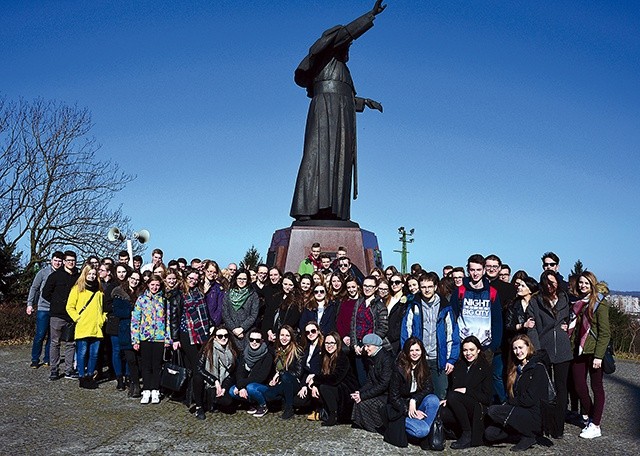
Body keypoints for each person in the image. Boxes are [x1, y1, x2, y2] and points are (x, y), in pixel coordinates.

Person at [290, 0, 386, 221]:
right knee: (318, 155)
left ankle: (332, 209)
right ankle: (307, 208)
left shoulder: (342, 69)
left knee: (339, 161)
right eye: (346, 44)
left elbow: (342, 96)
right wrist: (370, 15)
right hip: (325, 110)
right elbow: (346, 33)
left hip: (340, 113)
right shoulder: (326, 56)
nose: (348, 47)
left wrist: (364, 102)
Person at [526, 270, 572, 439]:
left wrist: (567, 327)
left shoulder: (564, 299)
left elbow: (571, 318)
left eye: (553, 283)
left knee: (561, 389)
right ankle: (544, 425)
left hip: (562, 349)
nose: (550, 286)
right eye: (547, 283)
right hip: (543, 348)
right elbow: (532, 327)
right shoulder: (535, 301)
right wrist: (537, 350)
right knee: (544, 389)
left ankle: (558, 427)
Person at [400, 272, 460, 400]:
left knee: (440, 394)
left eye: (429, 286)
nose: (426, 290)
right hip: (418, 358)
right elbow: (406, 331)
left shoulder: (445, 307)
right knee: (419, 394)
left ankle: (438, 419)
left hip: (439, 358)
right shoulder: (413, 305)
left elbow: (452, 334)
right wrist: (407, 354)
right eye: (423, 287)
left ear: (435, 287)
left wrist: (451, 359)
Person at [485, 335, 549, 452]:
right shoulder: (516, 368)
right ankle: (520, 434)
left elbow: (530, 400)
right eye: (515, 349)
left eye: (521, 347)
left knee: (493, 411)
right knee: (490, 434)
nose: (518, 351)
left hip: (534, 414)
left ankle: (529, 435)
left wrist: (508, 404)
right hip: (519, 410)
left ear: (528, 347)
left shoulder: (537, 368)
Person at [568, 271, 611, 439]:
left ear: (592, 284)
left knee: (597, 387)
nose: (582, 285)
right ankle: (591, 416)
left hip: (593, 351)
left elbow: (605, 333)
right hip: (579, 350)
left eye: (586, 283)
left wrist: (599, 356)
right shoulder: (578, 302)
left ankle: (595, 425)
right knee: (579, 386)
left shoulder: (600, 303)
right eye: (580, 283)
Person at [383, 338, 440, 448]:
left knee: (433, 400)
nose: (415, 353)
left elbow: (429, 388)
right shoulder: (398, 368)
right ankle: (423, 433)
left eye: (417, 350)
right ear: (406, 352)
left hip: (415, 404)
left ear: (422, 351)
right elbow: (394, 397)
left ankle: (423, 429)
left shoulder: (423, 365)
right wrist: (408, 410)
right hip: (401, 409)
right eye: (411, 350)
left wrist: (414, 400)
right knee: (422, 430)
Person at [440, 336, 492, 449]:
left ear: (478, 350)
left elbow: (487, 398)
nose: (468, 353)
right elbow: (452, 389)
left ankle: (467, 433)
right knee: (442, 411)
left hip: (477, 407)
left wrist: (467, 391)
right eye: (465, 350)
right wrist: (447, 399)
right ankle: (458, 432)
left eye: (471, 350)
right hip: (459, 405)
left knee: (453, 396)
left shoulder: (485, 368)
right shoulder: (459, 366)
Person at [170, 270, 212, 407]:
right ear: (185, 278)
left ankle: (190, 398)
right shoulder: (179, 294)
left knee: (192, 367)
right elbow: (174, 318)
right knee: (196, 367)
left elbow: (204, 313)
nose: (193, 281)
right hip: (186, 334)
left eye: (195, 279)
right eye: (190, 278)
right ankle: (199, 403)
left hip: (200, 334)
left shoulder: (199, 292)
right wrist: (175, 338)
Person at [449, 254, 502, 359]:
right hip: (463, 346)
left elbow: (497, 321)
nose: (475, 273)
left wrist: (493, 346)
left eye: (478, 270)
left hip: (485, 347)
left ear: (483, 270)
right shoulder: (460, 291)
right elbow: (451, 318)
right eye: (472, 270)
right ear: (468, 271)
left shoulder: (492, 292)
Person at [131, 275, 171, 405]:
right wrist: (135, 340)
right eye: (152, 284)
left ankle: (155, 389)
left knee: (157, 365)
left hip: (159, 338)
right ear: (148, 284)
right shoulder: (141, 300)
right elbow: (135, 320)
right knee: (146, 365)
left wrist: (167, 338)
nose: (155, 287)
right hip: (145, 337)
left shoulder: (164, 300)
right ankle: (147, 389)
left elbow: (168, 321)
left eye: (157, 285)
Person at [42, 250, 80, 381]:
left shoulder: (78, 276)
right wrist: (57, 302)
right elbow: (45, 293)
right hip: (57, 315)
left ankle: (69, 370)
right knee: (55, 343)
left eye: (73, 260)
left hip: (72, 315)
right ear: (64, 261)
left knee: (70, 343)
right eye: (68, 260)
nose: (71, 262)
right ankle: (54, 370)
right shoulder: (55, 276)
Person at [66, 265, 105, 389]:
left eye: (94, 274)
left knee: (94, 354)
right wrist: (78, 318)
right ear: (85, 274)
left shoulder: (99, 291)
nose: (92, 276)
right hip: (83, 326)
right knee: (82, 353)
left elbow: (102, 308)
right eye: (90, 274)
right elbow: (70, 306)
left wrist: (102, 319)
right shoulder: (77, 289)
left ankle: (89, 376)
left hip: (96, 327)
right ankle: (82, 376)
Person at [308, 331, 358, 425]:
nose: (329, 345)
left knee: (324, 387)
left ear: (337, 344)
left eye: (332, 343)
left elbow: (335, 379)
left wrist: (315, 380)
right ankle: (324, 412)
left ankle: (333, 415)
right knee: (319, 387)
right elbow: (322, 375)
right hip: (336, 387)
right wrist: (314, 385)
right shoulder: (325, 357)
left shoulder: (342, 357)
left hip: (347, 390)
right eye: (327, 343)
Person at [26, 251, 63, 368]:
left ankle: (48, 358)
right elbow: (34, 288)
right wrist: (30, 304)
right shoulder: (43, 273)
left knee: (53, 336)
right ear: (51, 260)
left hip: (56, 309)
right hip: (43, 307)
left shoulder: (62, 274)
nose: (57, 263)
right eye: (55, 260)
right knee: (40, 335)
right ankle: (35, 359)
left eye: (59, 261)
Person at [350, 276, 389, 386]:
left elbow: (383, 328)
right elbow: (353, 324)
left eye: (370, 286)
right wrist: (354, 345)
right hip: (358, 344)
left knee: (372, 379)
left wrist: (369, 344)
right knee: (361, 379)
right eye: (365, 286)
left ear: (376, 288)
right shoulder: (358, 303)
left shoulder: (380, 306)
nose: (367, 288)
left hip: (372, 346)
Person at [192, 325, 238, 420]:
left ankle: (213, 401)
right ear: (215, 337)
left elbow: (233, 373)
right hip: (208, 383)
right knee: (197, 378)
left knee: (228, 402)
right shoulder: (207, 348)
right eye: (220, 336)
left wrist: (224, 387)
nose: (223, 338)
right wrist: (215, 381)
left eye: (225, 335)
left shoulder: (232, 350)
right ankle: (199, 407)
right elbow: (199, 369)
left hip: (223, 382)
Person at [350, 333, 393, 432]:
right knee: (357, 400)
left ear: (376, 346)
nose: (365, 348)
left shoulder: (386, 359)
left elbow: (384, 384)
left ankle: (377, 427)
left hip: (386, 395)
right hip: (379, 390)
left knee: (364, 403)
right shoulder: (373, 358)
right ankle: (360, 423)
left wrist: (363, 395)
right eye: (365, 346)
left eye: (368, 346)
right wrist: (360, 393)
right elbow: (370, 381)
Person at [228, 328, 274, 417]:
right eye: (251, 339)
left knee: (251, 388)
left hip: (262, 386)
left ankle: (263, 405)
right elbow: (239, 372)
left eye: (257, 340)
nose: (254, 342)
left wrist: (241, 384)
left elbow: (260, 378)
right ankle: (252, 404)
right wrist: (241, 387)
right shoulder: (244, 353)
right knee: (232, 391)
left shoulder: (267, 356)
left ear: (262, 341)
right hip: (247, 384)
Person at [111, 269, 142, 397]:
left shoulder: (142, 293)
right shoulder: (120, 293)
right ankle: (133, 383)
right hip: (126, 329)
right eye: (133, 278)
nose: (134, 281)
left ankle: (134, 382)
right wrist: (134, 312)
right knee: (130, 358)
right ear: (129, 278)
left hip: (140, 330)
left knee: (138, 359)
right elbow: (118, 312)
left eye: (137, 280)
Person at [263, 325, 303, 419]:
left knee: (285, 376)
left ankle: (289, 408)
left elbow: (298, 373)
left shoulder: (297, 351)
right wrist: (274, 377)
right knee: (268, 395)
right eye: (282, 335)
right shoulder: (278, 350)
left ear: (291, 337)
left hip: (294, 382)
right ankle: (285, 398)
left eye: (287, 335)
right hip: (283, 381)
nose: (284, 338)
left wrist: (279, 374)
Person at [294, 321, 324, 420]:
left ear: (318, 331)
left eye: (313, 331)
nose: (310, 334)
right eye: (307, 332)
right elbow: (304, 370)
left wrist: (313, 378)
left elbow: (322, 368)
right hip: (307, 379)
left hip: (319, 379)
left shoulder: (323, 347)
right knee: (297, 401)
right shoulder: (306, 347)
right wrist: (303, 385)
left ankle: (319, 409)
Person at [223, 269, 260, 350]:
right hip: (231, 332)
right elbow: (225, 313)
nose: (241, 281)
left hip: (246, 332)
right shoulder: (228, 293)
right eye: (239, 278)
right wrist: (234, 329)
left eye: (244, 279)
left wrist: (242, 328)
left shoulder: (253, 295)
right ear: (235, 279)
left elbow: (253, 315)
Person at [385, 274, 408, 354]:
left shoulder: (406, 300)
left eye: (397, 282)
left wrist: (393, 336)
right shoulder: (387, 299)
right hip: (385, 337)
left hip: (396, 339)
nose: (394, 284)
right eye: (391, 282)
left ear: (403, 284)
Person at [203, 260, 225, 328]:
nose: (212, 274)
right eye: (210, 271)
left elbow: (220, 308)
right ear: (205, 270)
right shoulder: (198, 285)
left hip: (213, 322)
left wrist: (214, 323)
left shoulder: (219, 288)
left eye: (214, 272)